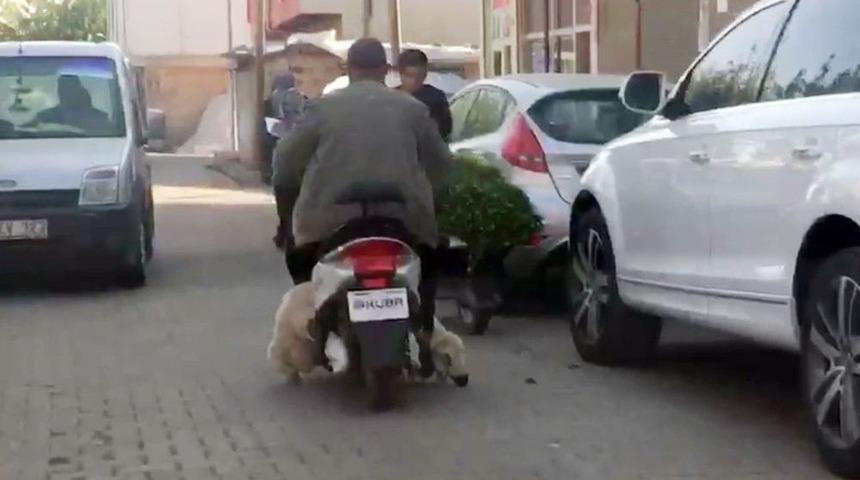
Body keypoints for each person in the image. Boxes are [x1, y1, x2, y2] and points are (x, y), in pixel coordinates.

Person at [273, 38, 453, 375]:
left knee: (300, 265)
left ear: (347, 69)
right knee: (429, 266)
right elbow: (442, 167)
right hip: (405, 221)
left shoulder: (321, 108)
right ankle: (425, 333)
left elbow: (284, 166)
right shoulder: (412, 109)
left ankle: (315, 332)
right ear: (386, 71)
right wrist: (435, 208)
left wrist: (286, 214)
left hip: (328, 223)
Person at [397, 49, 453, 142]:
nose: (414, 81)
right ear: (400, 74)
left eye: (419, 76)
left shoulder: (436, 99)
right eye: (409, 76)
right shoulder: (390, 99)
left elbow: (445, 131)